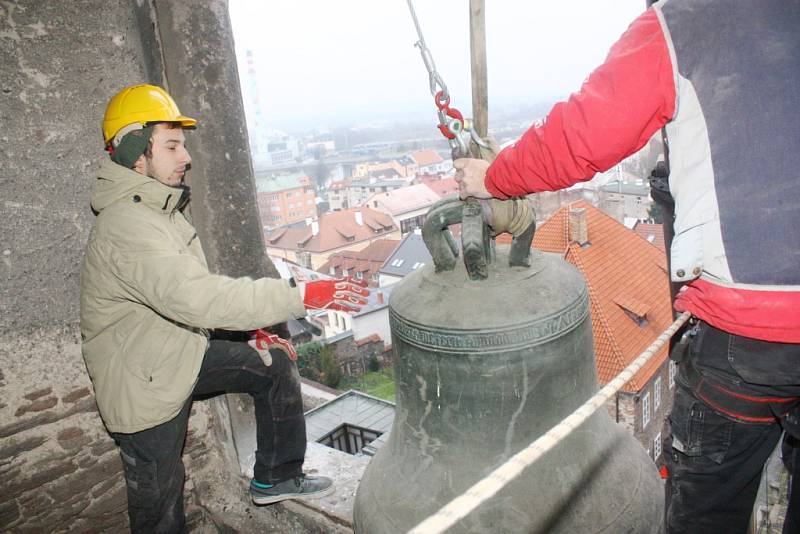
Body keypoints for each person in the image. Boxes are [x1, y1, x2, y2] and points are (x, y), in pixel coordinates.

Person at [454, 2, 800, 533]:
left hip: (748, 330)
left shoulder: (689, 18)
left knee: (705, 513)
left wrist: (495, 177)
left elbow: (584, 131)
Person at [80, 84, 369, 533]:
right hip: (141, 384)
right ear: (136, 151)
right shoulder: (128, 225)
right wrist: (298, 297)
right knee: (160, 507)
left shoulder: (160, 209)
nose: (186, 157)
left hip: (174, 354)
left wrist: (247, 333)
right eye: (172, 145)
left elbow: (182, 297)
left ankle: (276, 478)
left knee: (271, 363)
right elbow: (199, 299)